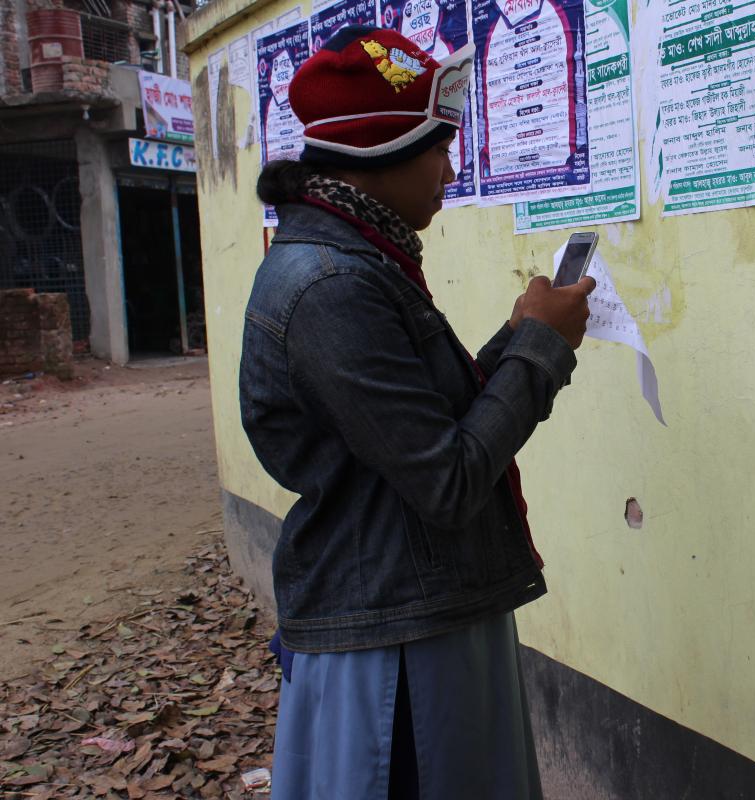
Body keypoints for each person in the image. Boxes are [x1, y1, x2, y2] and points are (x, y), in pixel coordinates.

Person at [238, 26, 595, 800]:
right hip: (392, 637)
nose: (450, 167)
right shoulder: (331, 286)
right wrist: (539, 352)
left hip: (412, 601)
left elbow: (425, 423)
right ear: (380, 156)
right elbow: (448, 477)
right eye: (438, 147)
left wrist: (521, 337)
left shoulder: (358, 256)